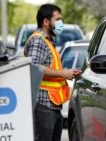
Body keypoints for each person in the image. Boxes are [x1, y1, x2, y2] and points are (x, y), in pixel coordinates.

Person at [23, 4, 81, 141]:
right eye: (58, 19)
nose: (61, 23)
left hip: (52, 105)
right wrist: (63, 73)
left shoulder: (48, 41)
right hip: (42, 105)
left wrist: (68, 73)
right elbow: (34, 67)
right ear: (46, 21)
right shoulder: (38, 40)